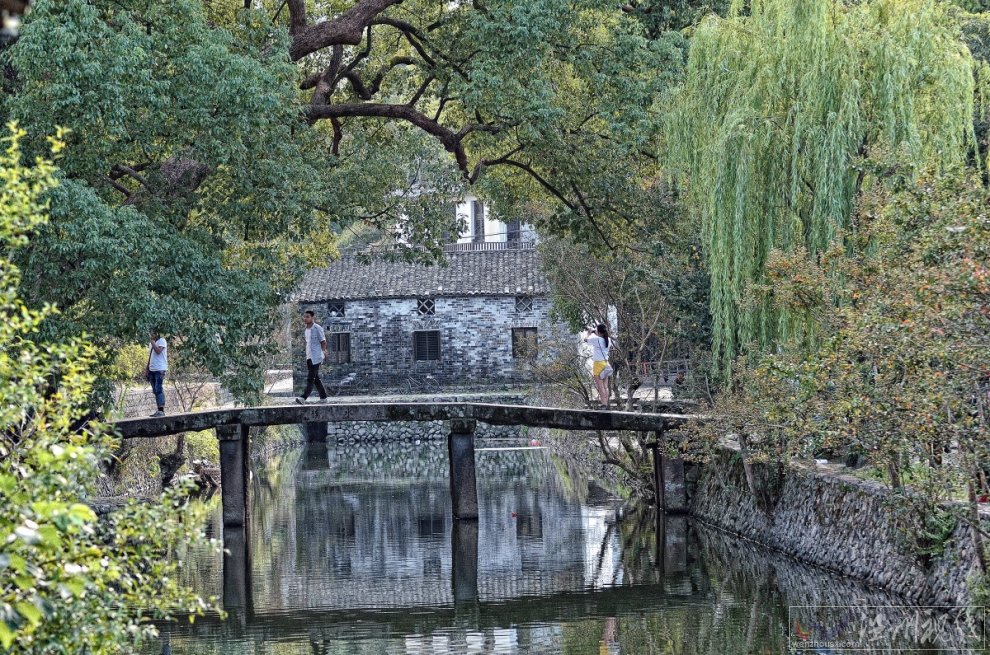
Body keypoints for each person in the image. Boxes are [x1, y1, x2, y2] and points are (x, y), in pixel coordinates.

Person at [295, 310, 329, 404]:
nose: (305, 319)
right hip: (309, 356)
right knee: (316, 378)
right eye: (304, 317)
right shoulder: (306, 330)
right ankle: (323, 398)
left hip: (316, 356)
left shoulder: (317, 328)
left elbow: (323, 341)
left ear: (312, 317)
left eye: (307, 317)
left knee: (311, 378)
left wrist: (323, 352)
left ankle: (303, 398)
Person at [584, 324, 614, 409]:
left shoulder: (596, 339)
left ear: (599, 332)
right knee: (605, 386)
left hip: (598, 365)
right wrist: (595, 333)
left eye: (596, 330)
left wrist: (589, 333)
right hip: (605, 364)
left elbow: (585, 340)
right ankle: (606, 403)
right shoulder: (608, 339)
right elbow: (601, 339)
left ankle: (603, 404)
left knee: (600, 386)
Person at [147, 329, 168, 417]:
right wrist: (147, 368)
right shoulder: (151, 343)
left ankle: (161, 411)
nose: (151, 334)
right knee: (155, 390)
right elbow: (150, 356)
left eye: (153, 333)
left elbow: (158, 351)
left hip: (160, 369)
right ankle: (159, 410)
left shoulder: (162, 340)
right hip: (152, 369)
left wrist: (152, 342)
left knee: (158, 388)